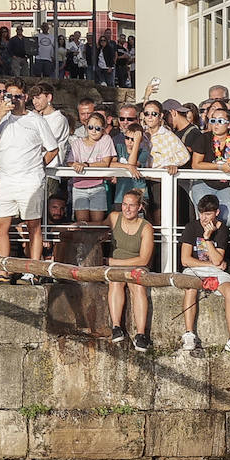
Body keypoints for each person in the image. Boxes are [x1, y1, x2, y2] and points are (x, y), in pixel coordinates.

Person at [0, 81, 60, 284]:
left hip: (30, 180)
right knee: (0, 225)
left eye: (17, 96)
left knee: (32, 225)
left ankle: (34, 270)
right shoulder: (0, 119)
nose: (13, 100)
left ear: (25, 97)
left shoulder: (36, 120)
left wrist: (36, 166)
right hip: (5, 180)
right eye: (9, 96)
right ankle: (4, 270)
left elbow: (53, 148)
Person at [179, 194, 230, 358]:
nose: (203, 218)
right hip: (195, 270)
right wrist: (211, 264)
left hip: (216, 271)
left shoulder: (222, 229)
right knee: (190, 287)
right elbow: (185, 260)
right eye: (201, 213)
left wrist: (207, 239)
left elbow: (218, 259)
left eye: (207, 214)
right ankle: (189, 334)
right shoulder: (191, 226)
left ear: (216, 213)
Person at [106, 189, 155, 352]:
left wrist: (113, 261)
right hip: (116, 267)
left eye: (131, 205)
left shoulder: (146, 227)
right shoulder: (114, 217)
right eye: (124, 204)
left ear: (139, 207)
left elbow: (144, 259)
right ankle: (116, 326)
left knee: (138, 286)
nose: (127, 209)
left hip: (136, 265)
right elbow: (97, 228)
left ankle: (141, 334)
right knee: (115, 282)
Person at [188, 104, 230, 227]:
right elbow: (196, 164)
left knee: (229, 219)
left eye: (220, 121)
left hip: (227, 184)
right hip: (204, 183)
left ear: (229, 124)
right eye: (213, 120)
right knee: (203, 218)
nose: (216, 124)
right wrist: (220, 167)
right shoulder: (203, 138)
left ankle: (221, 243)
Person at [66, 112, 117, 224]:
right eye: (90, 127)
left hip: (97, 186)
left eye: (98, 128)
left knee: (97, 223)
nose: (94, 131)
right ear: (86, 127)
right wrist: (75, 165)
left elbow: (105, 162)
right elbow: (70, 162)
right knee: (82, 223)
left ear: (103, 129)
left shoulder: (106, 139)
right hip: (79, 187)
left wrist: (86, 165)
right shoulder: (77, 143)